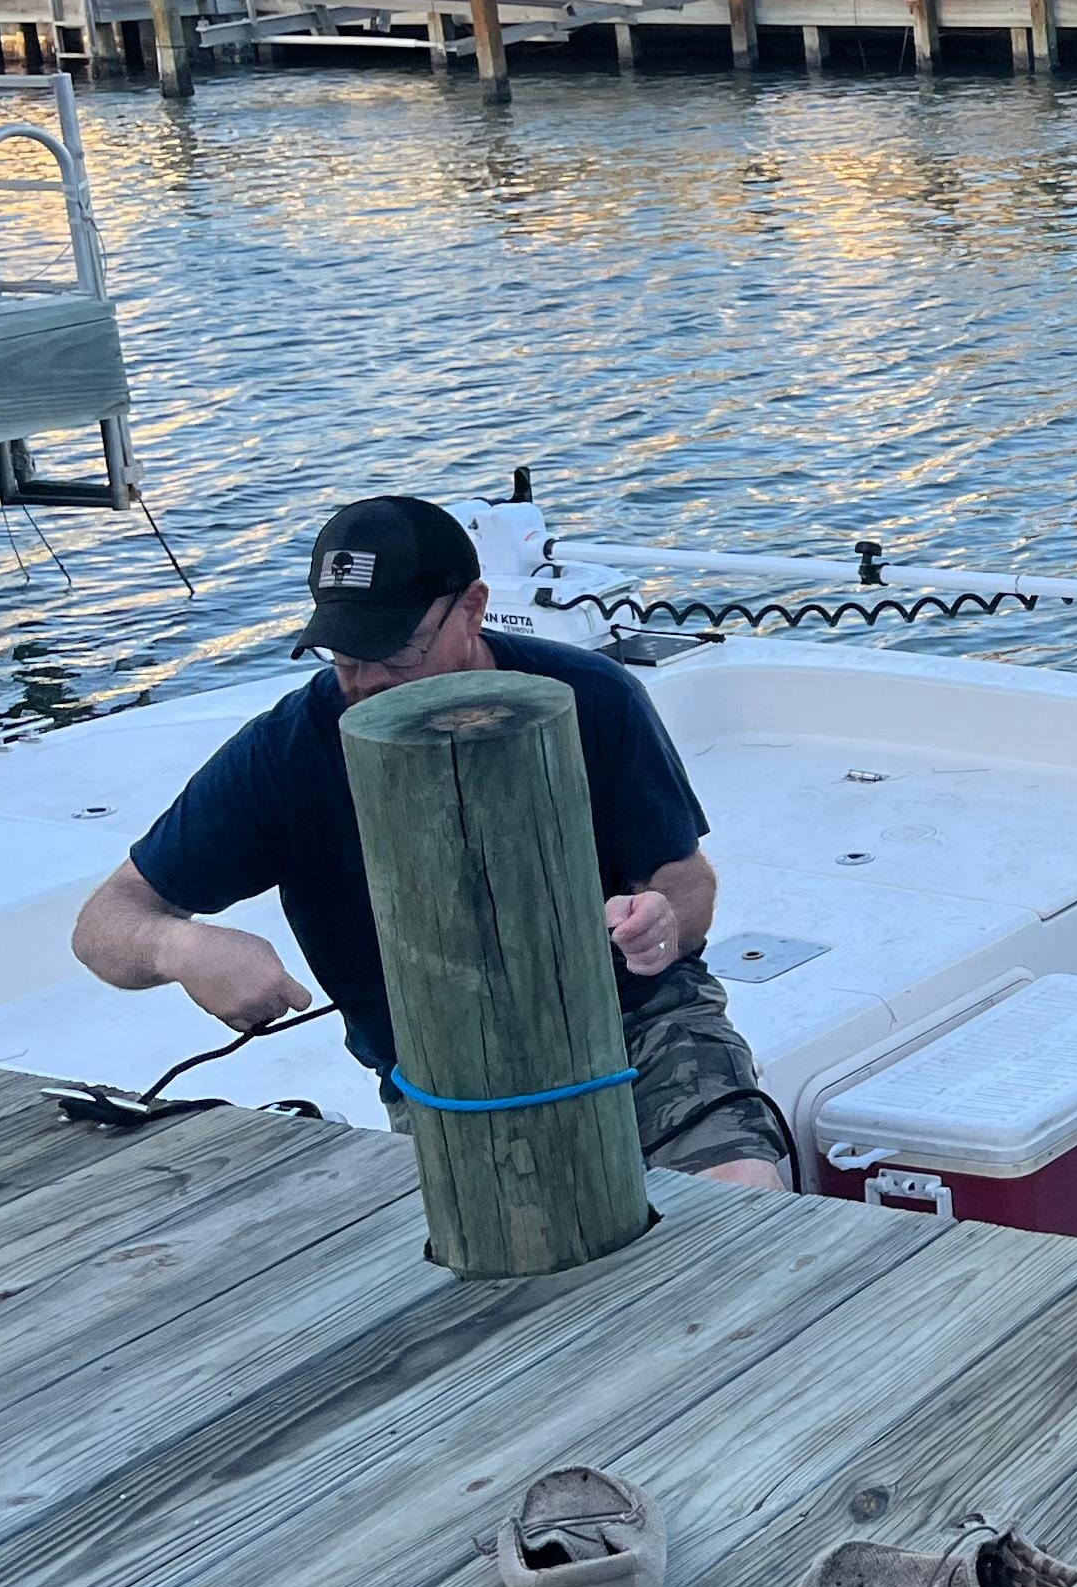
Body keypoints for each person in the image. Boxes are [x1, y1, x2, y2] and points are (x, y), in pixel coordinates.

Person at [71, 496, 791, 1189]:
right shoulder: (287, 750)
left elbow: (683, 876)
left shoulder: (592, 695)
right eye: (343, 657)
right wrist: (184, 949)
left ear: (472, 609)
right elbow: (105, 925)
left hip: (634, 1024)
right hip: (441, 1072)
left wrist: (659, 924)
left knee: (736, 1190)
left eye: (396, 650)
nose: (368, 682)